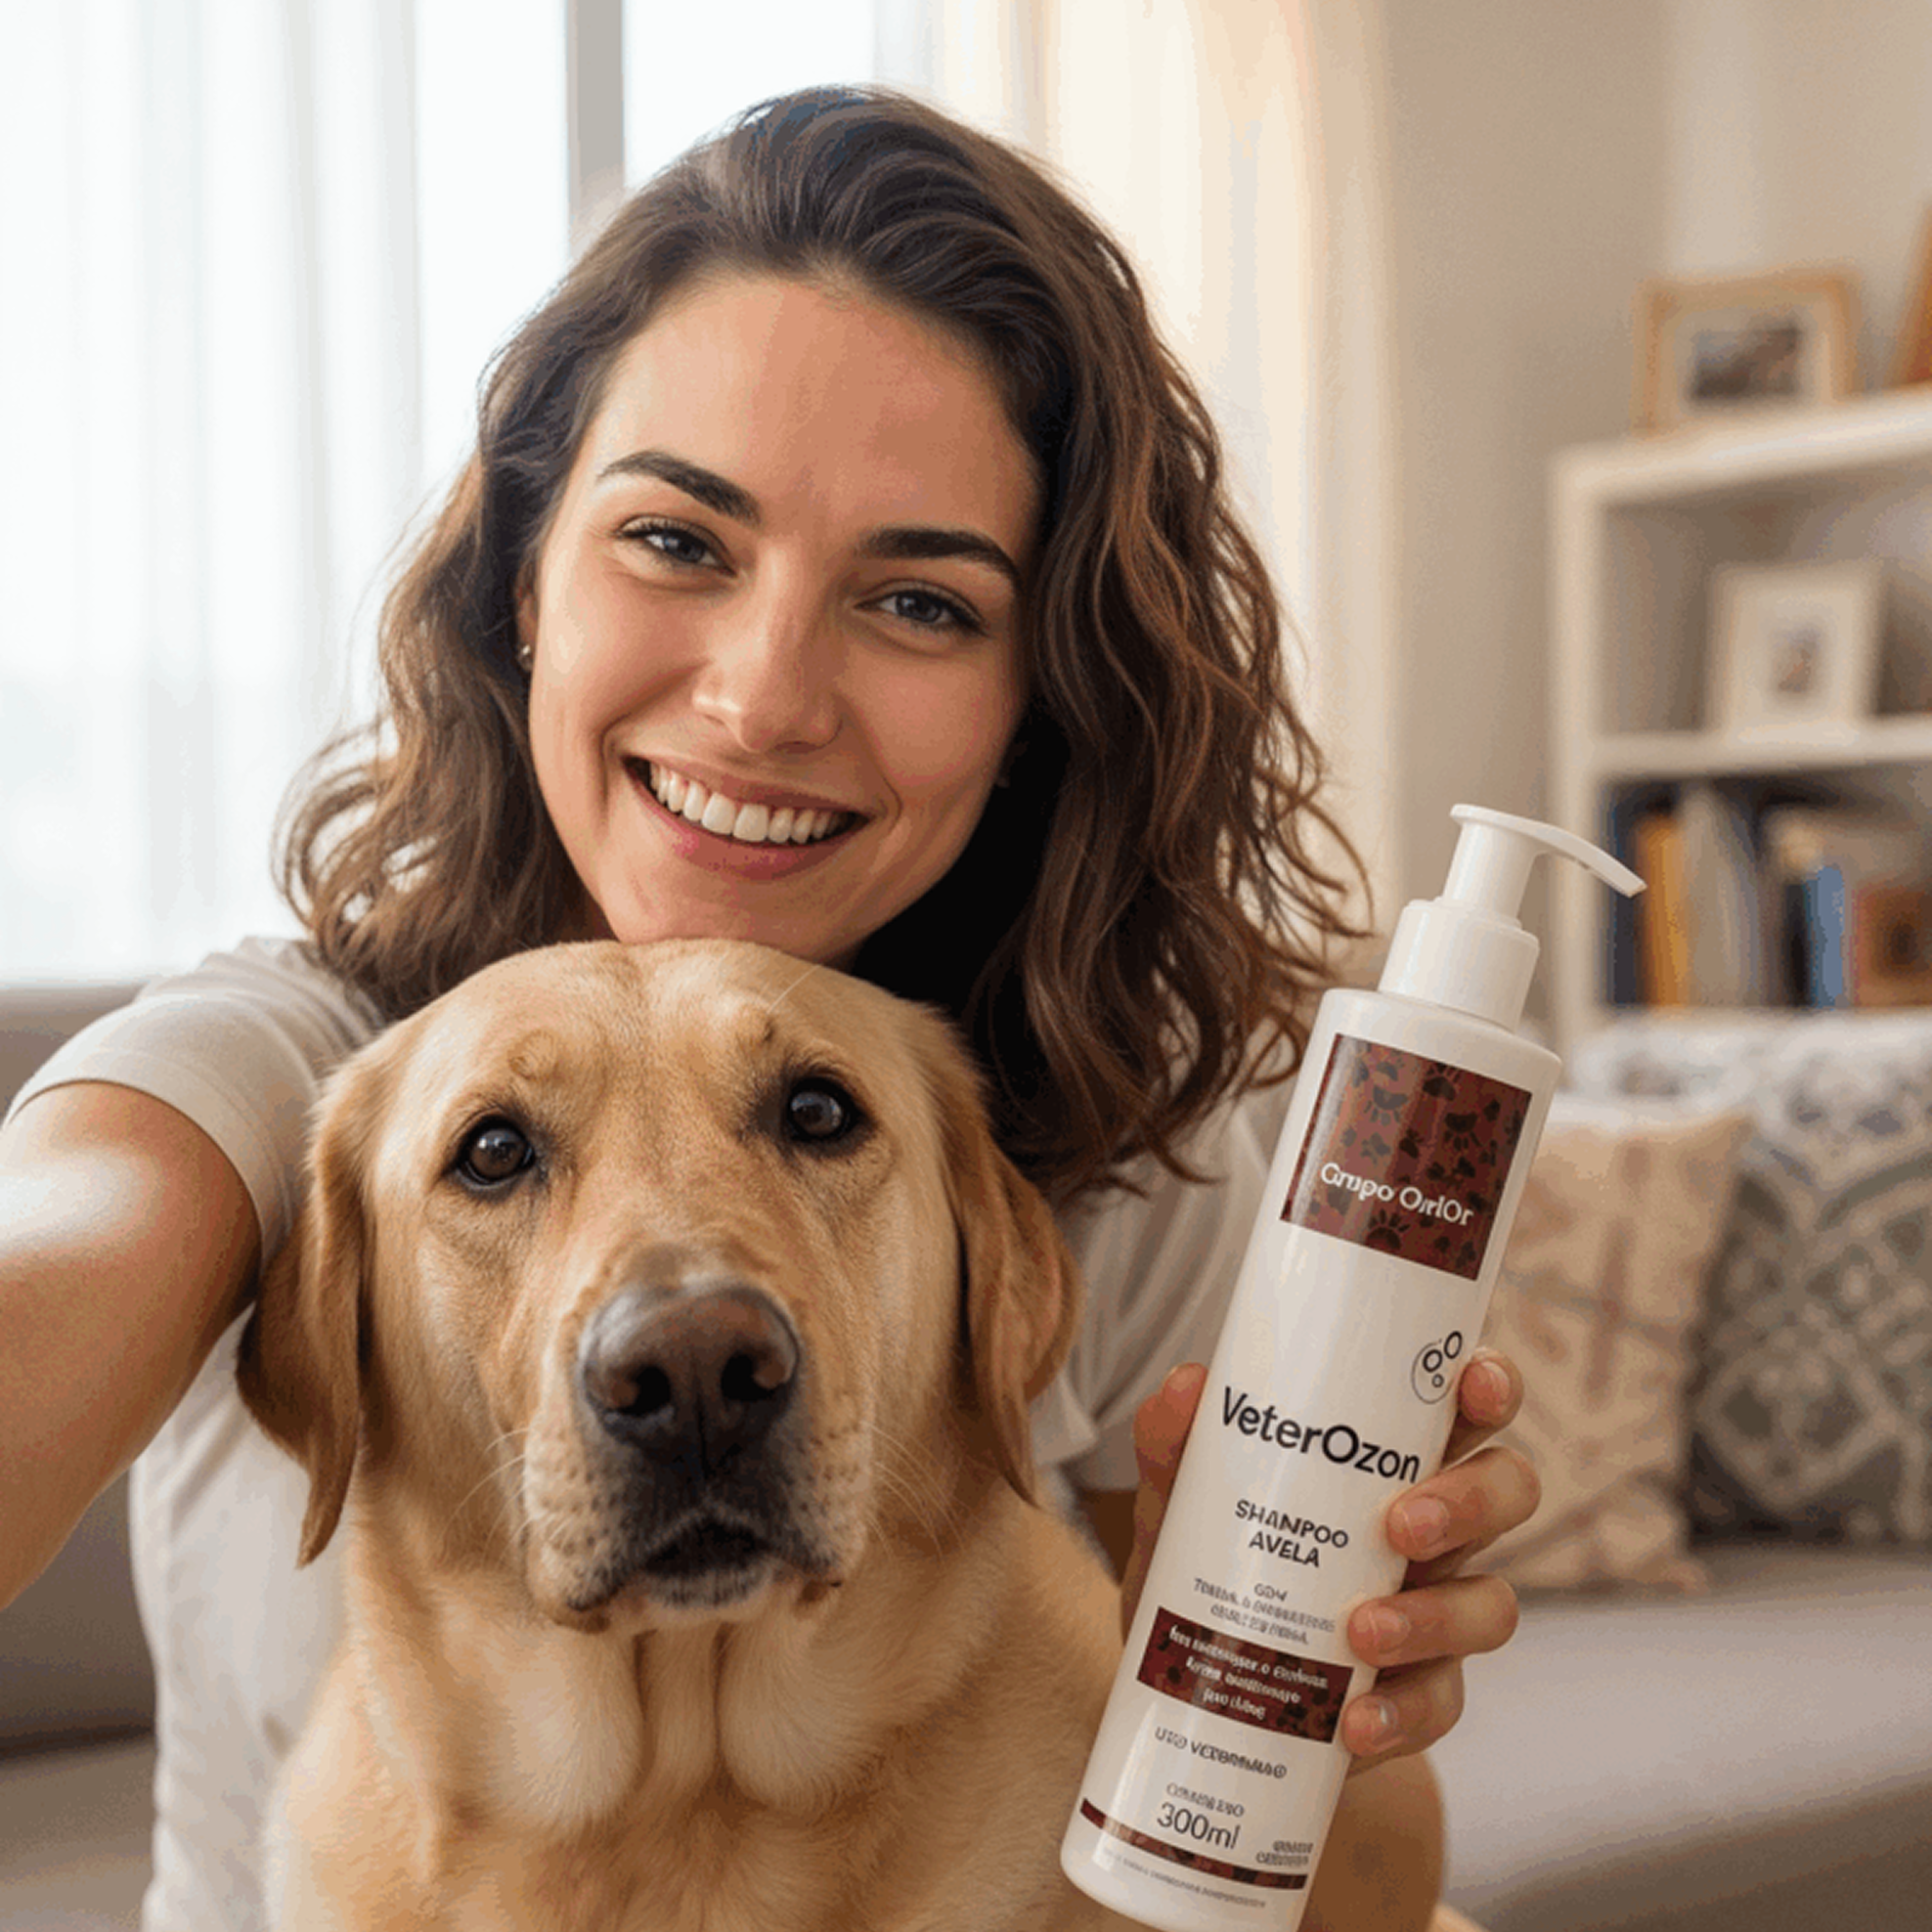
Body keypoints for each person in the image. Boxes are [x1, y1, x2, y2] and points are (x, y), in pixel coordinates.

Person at [0, 86, 1536, 1931]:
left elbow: (1364, 1896)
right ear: (524, 581)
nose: (764, 698)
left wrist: (1300, 1690)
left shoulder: (1125, 1163)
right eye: (677, 541)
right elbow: (65, 1248)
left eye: (920, 601)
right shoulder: (279, 1077)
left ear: (1030, 695)